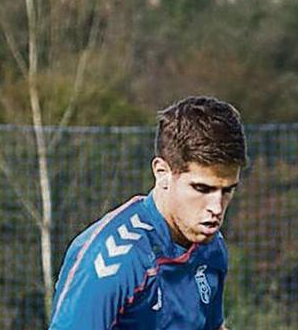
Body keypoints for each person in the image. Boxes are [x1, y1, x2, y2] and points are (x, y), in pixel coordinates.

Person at [49, 95, 247, 329]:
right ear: (162, 172)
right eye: (202, 188)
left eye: (227, 191)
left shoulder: (212, 248)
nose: (216, 208)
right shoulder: (111, 260)